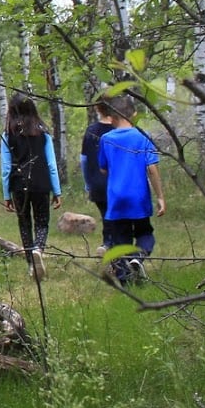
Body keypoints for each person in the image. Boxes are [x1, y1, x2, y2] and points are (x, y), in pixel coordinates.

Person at [97, 95, 166, 285]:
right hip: (139, 197)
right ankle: (138, 257)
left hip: (116, 198)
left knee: (120, 240)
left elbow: (103, 168)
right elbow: (152, 169)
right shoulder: (142, 136)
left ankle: (125, 281)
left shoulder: (106, 139)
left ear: (110, 116)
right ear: (134, 114)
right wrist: (160, 196)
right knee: (145, 233)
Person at [1, 94, 63, 281]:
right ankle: (38, 248)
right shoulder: (43, 134)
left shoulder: (8, 135)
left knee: (24, 224)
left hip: (18, 184)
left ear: (11, 111)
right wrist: (57, 191)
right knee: (42, 221)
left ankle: (31, 265)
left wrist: (6, 194)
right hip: (41, 183)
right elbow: (52, 165)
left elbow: (5, 167)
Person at [79, 98, 117, 254]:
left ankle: (107, 243)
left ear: (96, 108)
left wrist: (88, 183)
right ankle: (112, 246)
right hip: (119, 183)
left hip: (98, 184)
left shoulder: (91, 131)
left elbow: (84, 161)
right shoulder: (121, 130)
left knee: (107, 215)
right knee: (120, 219)